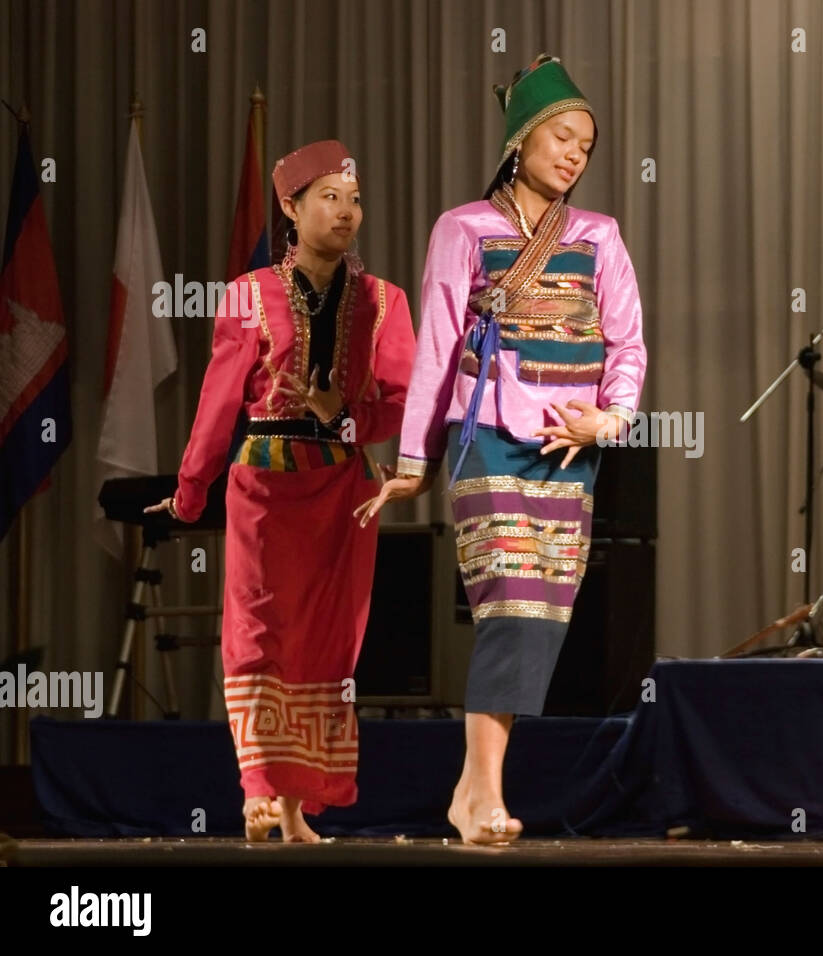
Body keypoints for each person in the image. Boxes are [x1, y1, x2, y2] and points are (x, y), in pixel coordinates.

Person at [357, 54, 647, 845]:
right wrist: (414, 461)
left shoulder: (599, 236)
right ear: (521, 139)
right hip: (488, 435)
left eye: (585, 146)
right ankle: (480, 788)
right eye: (561, 137)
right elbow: (438, 346)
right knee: (509, 604)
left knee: (545, 616)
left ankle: (472, 787)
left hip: (568, 451)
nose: (573, 155)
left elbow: (627, 344)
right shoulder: (463, 229)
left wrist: (610, 420)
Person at [147, 139, 416, 842]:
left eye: (354, 199)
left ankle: (296, 811)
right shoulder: (248, 295)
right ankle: (259, 788)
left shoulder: (386, 303)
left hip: (344, 492)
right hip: (265, 484)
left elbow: (405, 402)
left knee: (326, 646)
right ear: (290, 209)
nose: (347, 212)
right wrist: (190, 489)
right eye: (330, 197)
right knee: (257, 634)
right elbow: (218, 401)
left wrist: (347, 416)